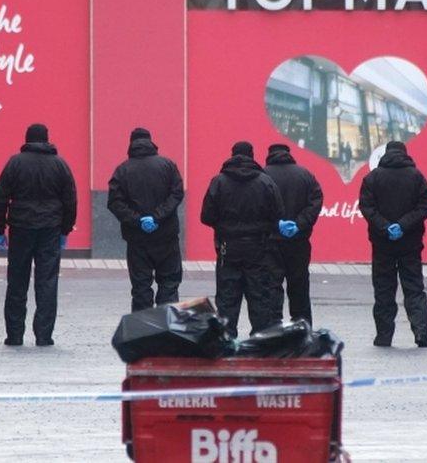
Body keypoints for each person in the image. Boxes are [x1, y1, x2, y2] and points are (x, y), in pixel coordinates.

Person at [0, 123, 77, 346]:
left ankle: (14, 335)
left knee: (17, 280)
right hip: (50, 228)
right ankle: (44, 335)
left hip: (21, 227)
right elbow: (70, 200)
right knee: (47, 281)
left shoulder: (15, 163)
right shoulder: (60, 165)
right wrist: (65, 229)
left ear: (27, 139)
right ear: (47, 139)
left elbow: (1, 198)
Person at [201, 141, 284, 337]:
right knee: (259, 295)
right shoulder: (265, 182)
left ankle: (227, 339)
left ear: (232, 154)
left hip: (227, 247)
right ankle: (260, 340)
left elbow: (206, 216)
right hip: (258, 247)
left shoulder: (219, 181)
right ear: (252, 155)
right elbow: (278, 213)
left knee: (227, 297)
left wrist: (224, 226)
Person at [358, 141, 427, 348]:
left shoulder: (372, 177)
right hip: (411, 242)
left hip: (382, 244)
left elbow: (366, 207)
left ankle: (383, 336)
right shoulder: (416, 176)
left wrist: (385, 227)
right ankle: (420, 332)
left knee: (383, 290)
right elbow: (425, 205)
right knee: (414, 288)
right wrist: (403, 225)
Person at [107, 128, 184, 311]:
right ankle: (168, 332)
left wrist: (138, 220)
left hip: (137, 238)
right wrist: (157, 217)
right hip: (166, 235)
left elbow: (115, 202)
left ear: (131, 143)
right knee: (169, 284)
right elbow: (176, 194)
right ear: (151, 141)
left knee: (141, 286)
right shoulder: (168, 165)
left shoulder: (122, 170)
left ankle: (143, 333)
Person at [264, 143, 323, 324]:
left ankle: (273, 327)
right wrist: (299, 224)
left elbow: (258, 207)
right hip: (298, 241)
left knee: (272, 285)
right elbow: (315, 202)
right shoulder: (305, 175)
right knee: (299, 285)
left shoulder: (263, 176)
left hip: (270, 242)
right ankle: (302, 327)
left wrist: (275, 224)